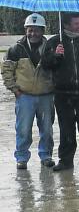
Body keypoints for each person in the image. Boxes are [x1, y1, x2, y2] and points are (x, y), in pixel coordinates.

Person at [41, 12, 79, 172]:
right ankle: (66, 160)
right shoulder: (55, 41)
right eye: (76, 24)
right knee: (66, 129)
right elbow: (46, 65)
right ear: (66, 25)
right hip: (63, 94)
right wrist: (56, 55)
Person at [2, 13, 55, 170]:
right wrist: (14, 90)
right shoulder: (15, 49)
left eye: (37, 30)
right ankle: (22, 157)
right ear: (26, 30)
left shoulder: (50, 48)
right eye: (30, 30)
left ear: (43, 30)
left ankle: (46, 155)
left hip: (46, 96)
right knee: (23, 129)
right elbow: (6, 71)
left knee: (47, 129)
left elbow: (58, 69)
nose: (33, 34)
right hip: (24, 97)